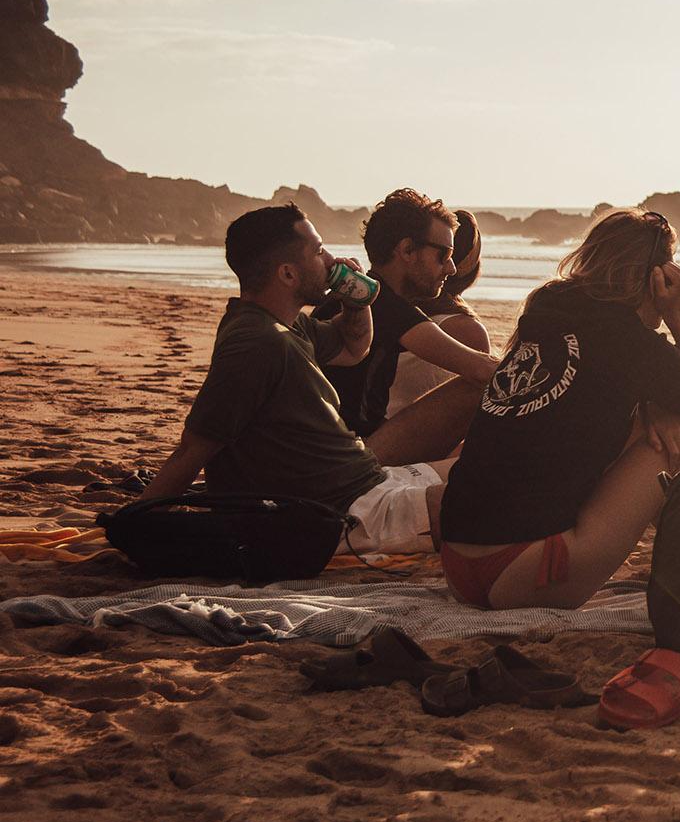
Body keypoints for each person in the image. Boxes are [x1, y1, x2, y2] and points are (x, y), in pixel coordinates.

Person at [436, 209, 680, 610]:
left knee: (658, 426)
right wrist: (675, 317)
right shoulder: (634, 345)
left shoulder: (545, 308)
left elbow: (587, 393)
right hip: (527, 572)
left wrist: (654, 408)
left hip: (459, 567)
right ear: (657, 276)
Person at [138, 204, 465, 554]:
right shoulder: (257, 344)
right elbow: (193, 449)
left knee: (488, 468)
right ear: (288, 274)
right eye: (319, 251)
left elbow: (354, 348)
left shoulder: (286, 326)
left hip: (370, 481)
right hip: (352, 512)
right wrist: (136, 522)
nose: (331, 260)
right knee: (500, 496)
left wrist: (356, 302)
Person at [320, 188, 497, 436]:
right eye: (444, 254)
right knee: (475, 388)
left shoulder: (352, 297)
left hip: (346, 437)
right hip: (350, 448)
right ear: (407, 251)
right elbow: (479, 368)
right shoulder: (384, 304)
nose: (452, 268)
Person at [385, 209, 489, 418]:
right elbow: (486, 377)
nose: (450, 268)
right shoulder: (465, 329)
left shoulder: (385, 306)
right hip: (401, 434)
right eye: (444, 257)